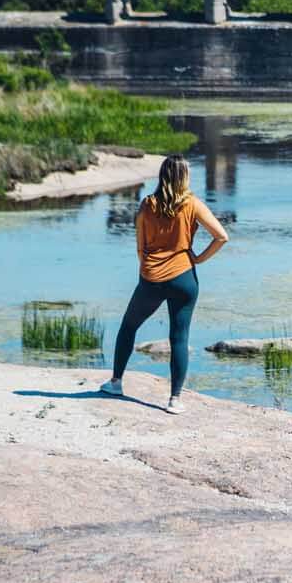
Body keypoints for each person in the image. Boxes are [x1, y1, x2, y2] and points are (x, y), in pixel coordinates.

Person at [100, 155, 229, 413]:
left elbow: (140, 247)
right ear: (184, 177)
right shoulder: (192, 204)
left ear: (162, 176)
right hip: (184, 277)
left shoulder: (147, 205)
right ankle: (175, 400)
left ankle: (116, 383)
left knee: (128, 326)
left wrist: (148, 270)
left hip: (151, 278)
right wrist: (197, 259)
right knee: (179, 338)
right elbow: (221, 236)